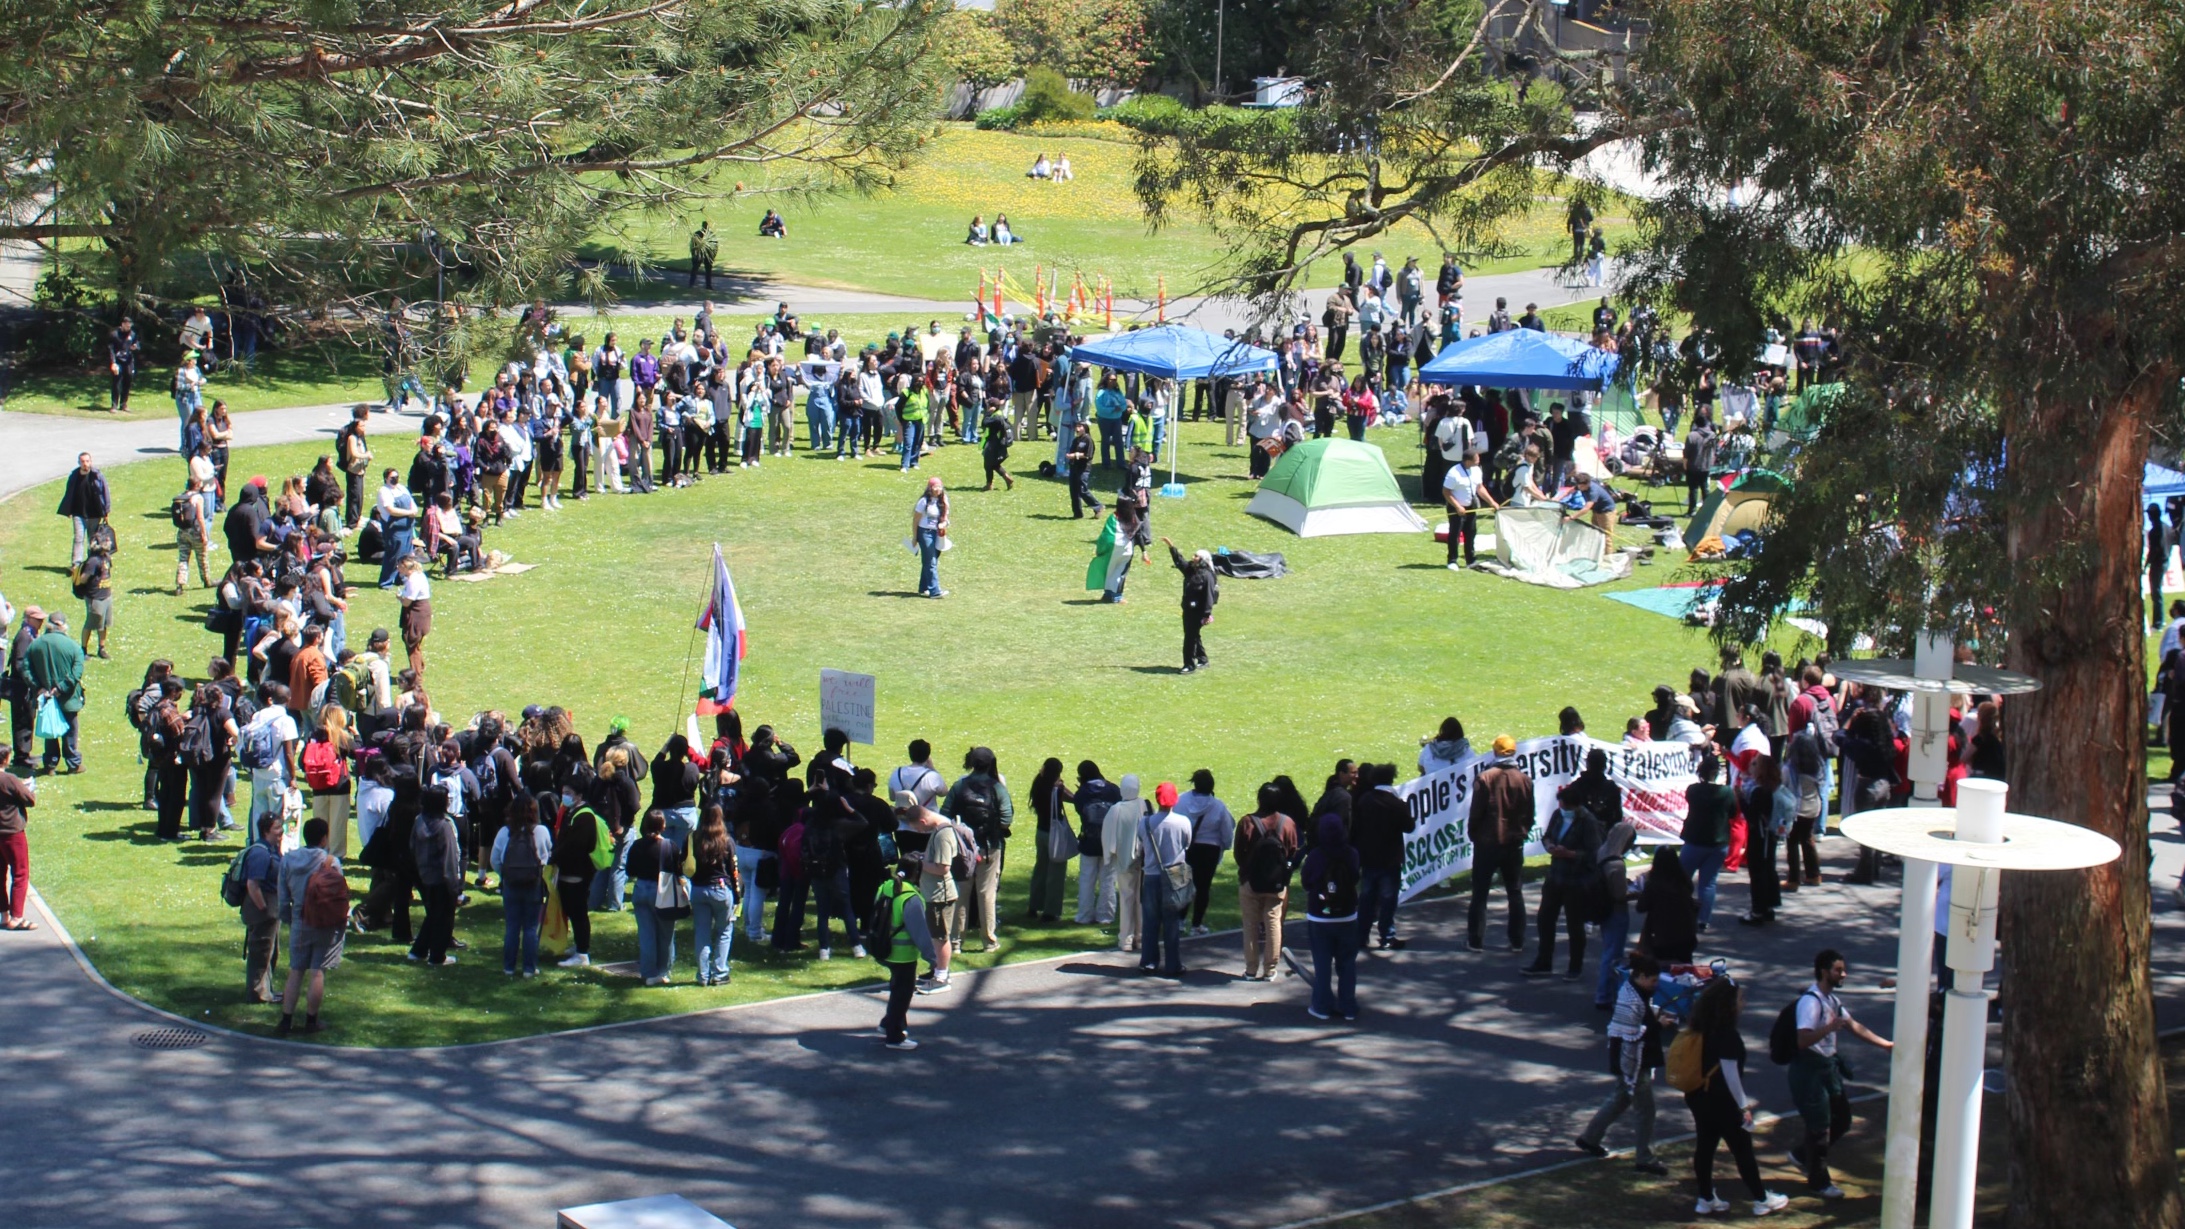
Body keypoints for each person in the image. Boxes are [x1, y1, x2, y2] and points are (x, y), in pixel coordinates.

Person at [1679, 977, 1791, 1216]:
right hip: (1722, 1102)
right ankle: (1761, 1199)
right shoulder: (1727, 1036)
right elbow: (1731, 1076)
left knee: (1705, 1147)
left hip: (1699, 1098)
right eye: (1740, 999)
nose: (1744, 1003)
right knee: (1742, 1151)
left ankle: (1706, 1198)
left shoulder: (1702, 1028)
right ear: (1728, 1005)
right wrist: (1743, 1106)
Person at [1789, 949, 1893, 1199]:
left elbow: (1854, 1026)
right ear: (1824, 972)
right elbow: (1802, 1040)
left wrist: (1886, 1045)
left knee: (1842, 1119)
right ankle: (1819, 1181)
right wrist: (1828, 1028)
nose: (1843, 974)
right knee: (1819, 1127)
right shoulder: (1810, 1002)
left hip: (1827, 1069)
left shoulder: (1832, 1001)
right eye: (1838, 970)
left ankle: (1803, 1155)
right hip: (1810, 1071)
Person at [1574, 951, 1668, 1174]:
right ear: (1642, 976)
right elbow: (1633, 1034)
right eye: (1653, 980)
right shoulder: (1632, 998)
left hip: (1628, 1060)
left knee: (1621, 1098)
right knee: (1645, 1111)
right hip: (1634, 1061)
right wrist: (1658, 1025)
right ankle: (1644, 1158)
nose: (1655, 985)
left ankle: (1590, 1138)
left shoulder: (1632, 992)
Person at [275, 816, 343, 1035]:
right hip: (323, 921)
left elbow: (283, 897)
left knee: (296, 970)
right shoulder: (331, 861)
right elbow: (339, 895)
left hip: (299, 919)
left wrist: (289, 918)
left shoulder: (289, 860)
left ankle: (286, 1020)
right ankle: (311, 1021)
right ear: (324, 839)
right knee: (317, 971)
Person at [941, 746, 1012, 951]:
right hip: (989, 847)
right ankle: (989, 940)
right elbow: (1007, 818)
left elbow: (945, 814)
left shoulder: (959, 786)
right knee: (987, 893)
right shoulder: (997, 788)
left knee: (961, 893)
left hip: (962, 849)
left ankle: (955, 941)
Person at [1522, 794, 1601, 978]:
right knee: (1545, 919)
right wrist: (1549, 845)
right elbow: (1547, 836)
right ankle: (1543, 961)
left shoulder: (1588, 822)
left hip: (1576, 881)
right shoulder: (1558, 815)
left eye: (1564, 805)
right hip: (1555, 877)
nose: (1561, 808)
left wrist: (1570, 854)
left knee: (1574, 924)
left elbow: (1594, 853)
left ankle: (1575, 967)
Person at [1467, 735, 1532, 951]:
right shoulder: (1524, 779)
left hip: (1487, 843)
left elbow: (1476, 812)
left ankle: (1476, 939)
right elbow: (1530, 813)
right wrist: (1522, 832)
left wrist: (1473, 834)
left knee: (1480, 893)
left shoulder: (1485, 778)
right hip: (1513, 843)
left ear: (1495, 752)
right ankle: (1517, 940)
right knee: (1515, 892)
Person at [872, 849, 939, 1049]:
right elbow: (920, 933)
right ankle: (894, 1036)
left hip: (883, 948)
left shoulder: (886, 887)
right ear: (917, 873)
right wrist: (933, 959)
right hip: (903, 955)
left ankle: (888, 1024)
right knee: (903, 994)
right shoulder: (911, 897)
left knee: (896, 989)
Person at [1299, 813, 1361, 1020]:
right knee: (1347, 964)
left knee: (1322, 963)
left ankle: (1322, 1005)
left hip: (1320, 916)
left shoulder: (1316, 855)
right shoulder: (1351, 853)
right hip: (1347, 915)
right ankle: (1348, 1006)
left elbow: (1306, 881)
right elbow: (1354, 877)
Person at [1234, 783, 1299, 980]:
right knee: (1273, 922)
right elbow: (1293, 851)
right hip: (1276, 882)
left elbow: (1239, 852)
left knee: (1251, 925)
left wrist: (1247, 870)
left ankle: (1251, 969)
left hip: (1250, 880)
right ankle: (1270, 969)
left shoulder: (1247, 822)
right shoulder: (1287, 823)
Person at [1348, 763, 1413, 950]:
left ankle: (1361, 936)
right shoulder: (1397, 803)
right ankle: (1387, 936)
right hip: (1390, 858)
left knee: (1366, 898)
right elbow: (1409, 826)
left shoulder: (1364, 800)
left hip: (1368, 856)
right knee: (1388, 899)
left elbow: (1356, 827)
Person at [897, 792, 957, 993]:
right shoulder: (938, 831)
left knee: (940, 937)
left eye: (919, 828)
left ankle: (942, 977)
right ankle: (937, 970)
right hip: (933, 893)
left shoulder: (943, 834)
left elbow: (942, 867)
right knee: (935, 935)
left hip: (941, 893)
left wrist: (920, 862)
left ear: (923, 820)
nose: (920, 831)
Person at [491, 793, 553, 977]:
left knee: (512, 927)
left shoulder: (505, 832)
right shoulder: (541, 831)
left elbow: (495, 859)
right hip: (533, 884)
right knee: (531, 928)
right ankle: (529, 968)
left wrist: (504, 874)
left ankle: (508, 967)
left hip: (510, 883)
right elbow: (547, 856)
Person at [1171, 767, 1233, 935]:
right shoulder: (1218, 806)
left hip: (1184, 848)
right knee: (1203, 888)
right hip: (1209, 850)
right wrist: (1224, 846)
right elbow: (1227, 831)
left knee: (1181, 886)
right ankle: (1196, 924)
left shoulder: (1181, 801)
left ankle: (1179, 920)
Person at [1138, 781, 1190, 976]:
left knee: (1150, 921)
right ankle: (1173, 964)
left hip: (1151, 875)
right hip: (1176, 874)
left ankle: (1149, 962)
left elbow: (1142, 842)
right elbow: (1187, 844)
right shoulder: (1183, 822)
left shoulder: (1145, 823)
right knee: (1172, 922)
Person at [24, 614, 86, 775]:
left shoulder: (35, 645)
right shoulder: (73, 646)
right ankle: (73, 763)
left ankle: (50, 764)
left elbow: (25, 669)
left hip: (45, 696)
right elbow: (76, 673)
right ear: (63, 626)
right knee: (71, 731)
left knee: (50, 729)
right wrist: (61, 688)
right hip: (68, 698)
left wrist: (39, 687)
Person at [1679, 752, 1734, 930]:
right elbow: (1733, 813)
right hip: (1718, 844)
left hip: (1694, 841)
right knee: (1708, 883)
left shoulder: (1693, 790)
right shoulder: (1726, 793)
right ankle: (1703, 919)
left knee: (1682, 880)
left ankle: (1681, 913)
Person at [628, 809, 680, 985]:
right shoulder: (669, 846)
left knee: (646, 933)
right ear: (662, 826)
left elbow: (630, 870)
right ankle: (663, 971)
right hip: (662, 890)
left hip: (641, 888)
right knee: (666, 934)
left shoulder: (637, 845)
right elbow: (677, 870)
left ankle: (648, 973)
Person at [237, 811, 283, 1001]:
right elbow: (252, 885)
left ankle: (267, 989)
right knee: (261, 952)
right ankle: (257, 992)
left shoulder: (271, 849)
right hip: (262, 908)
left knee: (270, 952)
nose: (281, 832)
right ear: (266, 831)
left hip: (271, 906)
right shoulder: (260, 853)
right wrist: (264, 909)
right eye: (277, 829)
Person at [1072, 761, 1121, 925]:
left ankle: (1084, 915)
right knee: (1108, 879)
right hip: (1109, 841)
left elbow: (1080, 810)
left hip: (1089, 841)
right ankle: (1105, 916)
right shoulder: (1113, 790)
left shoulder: (1082, 793)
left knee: (1087, 879)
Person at [1162, 537, 1218, 673]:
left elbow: (1209, 596)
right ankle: (1203, 659)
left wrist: (1206, 614)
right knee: (1193, 634)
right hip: (1188, 610)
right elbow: (1180, 562)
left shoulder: (1207, 576)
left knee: (1190, 638)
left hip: (1198, 612)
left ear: (1203, 559)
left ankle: (1189, 664)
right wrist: (1171, 547)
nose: (1193, 557)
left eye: (1196, 556)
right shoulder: (1191, 570)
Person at [1636, 845, 1698, 963]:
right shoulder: (1683, 882)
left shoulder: (1653, 885)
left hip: (1663, 940)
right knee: (1686, 967)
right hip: (1687, 937)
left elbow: (1641, 907)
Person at [1107, 773, 1146, 953]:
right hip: (1142, 860)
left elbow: (1108, 837)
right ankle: (1140, 936)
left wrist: (1109, 856)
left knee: (1126, 898)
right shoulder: (1143, 804)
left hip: (1124, 861)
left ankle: (1126, 939)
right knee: (1140, 899)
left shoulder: (1117, 809)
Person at [1442, 446, 1499, 568]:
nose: (1479, 460)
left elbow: (1480, 488)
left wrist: (1491, 502)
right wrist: (1457, 506)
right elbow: (1446, 492)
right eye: (1476, 459)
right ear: (1468, 461)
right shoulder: (1454, 473)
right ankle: (1452, 560)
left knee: (1471, 533)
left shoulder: (1477, 470)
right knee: (1455, 534)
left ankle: (1470, 560)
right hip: (1456, 508)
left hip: (1470, 507)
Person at [0, 747, 33, 931]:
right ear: (4, 759)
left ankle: (3, 914)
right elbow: (29, 799)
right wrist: (29, 787)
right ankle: (17, 917)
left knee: (0, 875)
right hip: (12, 832)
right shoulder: (9, 779)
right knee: (20, 874)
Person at [57, 452, 110, 568]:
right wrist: (68, 509)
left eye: (87, 461)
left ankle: (91, 563)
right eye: (82, 462)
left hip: (94, 514)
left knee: (92, 539)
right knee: (78, 538)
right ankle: (76, 565)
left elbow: (105, 493)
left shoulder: (97, 475)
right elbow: (69, 493)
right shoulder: (74, 476)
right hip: (78, 513)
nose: (85, 464)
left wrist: (106, 511)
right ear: (79, 463)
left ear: (91, 462)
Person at [74, 533, 114, 660]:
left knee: (104, 624)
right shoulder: (93, 561)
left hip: (106, 595)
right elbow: (83, 579)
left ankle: (101, 648)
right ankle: (83, 649)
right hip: (95, 597)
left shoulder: (106, 557)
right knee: (91, 624)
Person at [912, 477, 950, 599]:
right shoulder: (924, 501)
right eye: (935, 486)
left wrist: (943, 524)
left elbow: (946, 518)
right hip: (925, 533)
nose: (938, 489)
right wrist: (915, 537)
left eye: (940, 486)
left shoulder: (943, 500)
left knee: (929, 562)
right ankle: (935, 591)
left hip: (938, 534)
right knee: (931, 562)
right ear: (930, 488)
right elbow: (916, 520)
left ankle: (923, 588)